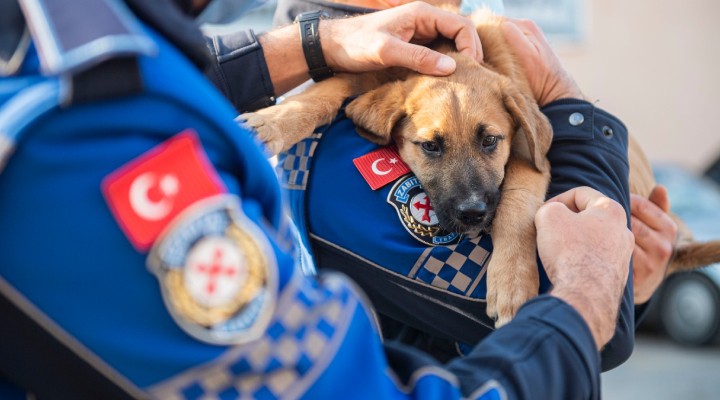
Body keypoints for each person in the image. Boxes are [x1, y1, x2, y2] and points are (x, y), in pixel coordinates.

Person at [0, 0, 640, 399]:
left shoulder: (85, 48)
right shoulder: (350, 145)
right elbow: (592, 326)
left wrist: (316, 43)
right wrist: (576, 115)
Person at [267, 0, 678, 370]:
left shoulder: (463, 67)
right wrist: (563, 98)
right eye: (431, 147)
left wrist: (634, 283)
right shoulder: (338, 143)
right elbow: (582, 317)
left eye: (488, 142)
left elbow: (607, 312)